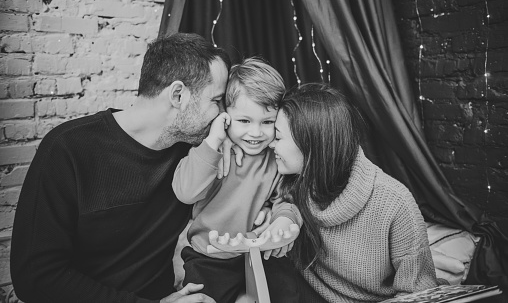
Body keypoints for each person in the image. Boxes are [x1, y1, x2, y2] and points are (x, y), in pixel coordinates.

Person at [10, 33, 268, 303]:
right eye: (216, 100)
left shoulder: (196, 151)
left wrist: (268, 208)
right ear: (178, 95)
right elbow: (36, 279)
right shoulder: (68, 149)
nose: (222, 114)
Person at [269, 83, 439, 302]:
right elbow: (284, 202)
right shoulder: (294, 183)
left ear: (310, 144)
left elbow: (418, 291)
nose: (271, 144)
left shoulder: (394, 202)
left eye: (278, 137)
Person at [172, 58, 302, 303]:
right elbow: (185, 192)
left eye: (267, 122)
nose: (255, 133)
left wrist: (284, 217)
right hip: (209, 256)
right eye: (244, 121)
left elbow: (286, 198)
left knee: (286, 291)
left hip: (258, 252)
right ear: (225, 115)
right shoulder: (212, 152)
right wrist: (214, 141)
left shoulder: (275, 158)